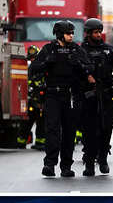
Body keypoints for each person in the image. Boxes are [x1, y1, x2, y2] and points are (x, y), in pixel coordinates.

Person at [31, 20, 91, 177]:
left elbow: (89, 69)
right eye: (68, 33)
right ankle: (50, 165)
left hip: (70, 95)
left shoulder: (76, 49)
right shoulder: (48, 49)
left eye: (72, 33)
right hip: (52, 95)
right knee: (52, 130)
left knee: (69, 133)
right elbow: (33, 69)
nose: (71, 36)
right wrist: (46, 63)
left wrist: (78, 65)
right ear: (59, 34)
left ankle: (66, 166)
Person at [81, 18, 113, 176]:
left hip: (106, 95)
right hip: (88, 98)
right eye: (95, 32)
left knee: (106, 129)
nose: (98, 35)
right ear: (88, 33)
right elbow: (75, 71)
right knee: (89, 132)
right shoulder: (81, 50)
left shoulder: (109, 50)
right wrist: (86, 77)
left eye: (100, 32)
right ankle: (89, 164)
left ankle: (103, 159)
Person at [17, 45, 46, 151]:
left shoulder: (43, 67)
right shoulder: (30, 68)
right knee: (27, 122)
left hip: (42, 100)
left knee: (42, 122)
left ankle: (40, 142)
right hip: (31, 100)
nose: (33, 60)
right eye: (31, 58)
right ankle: (21, 142)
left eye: (34, 58)